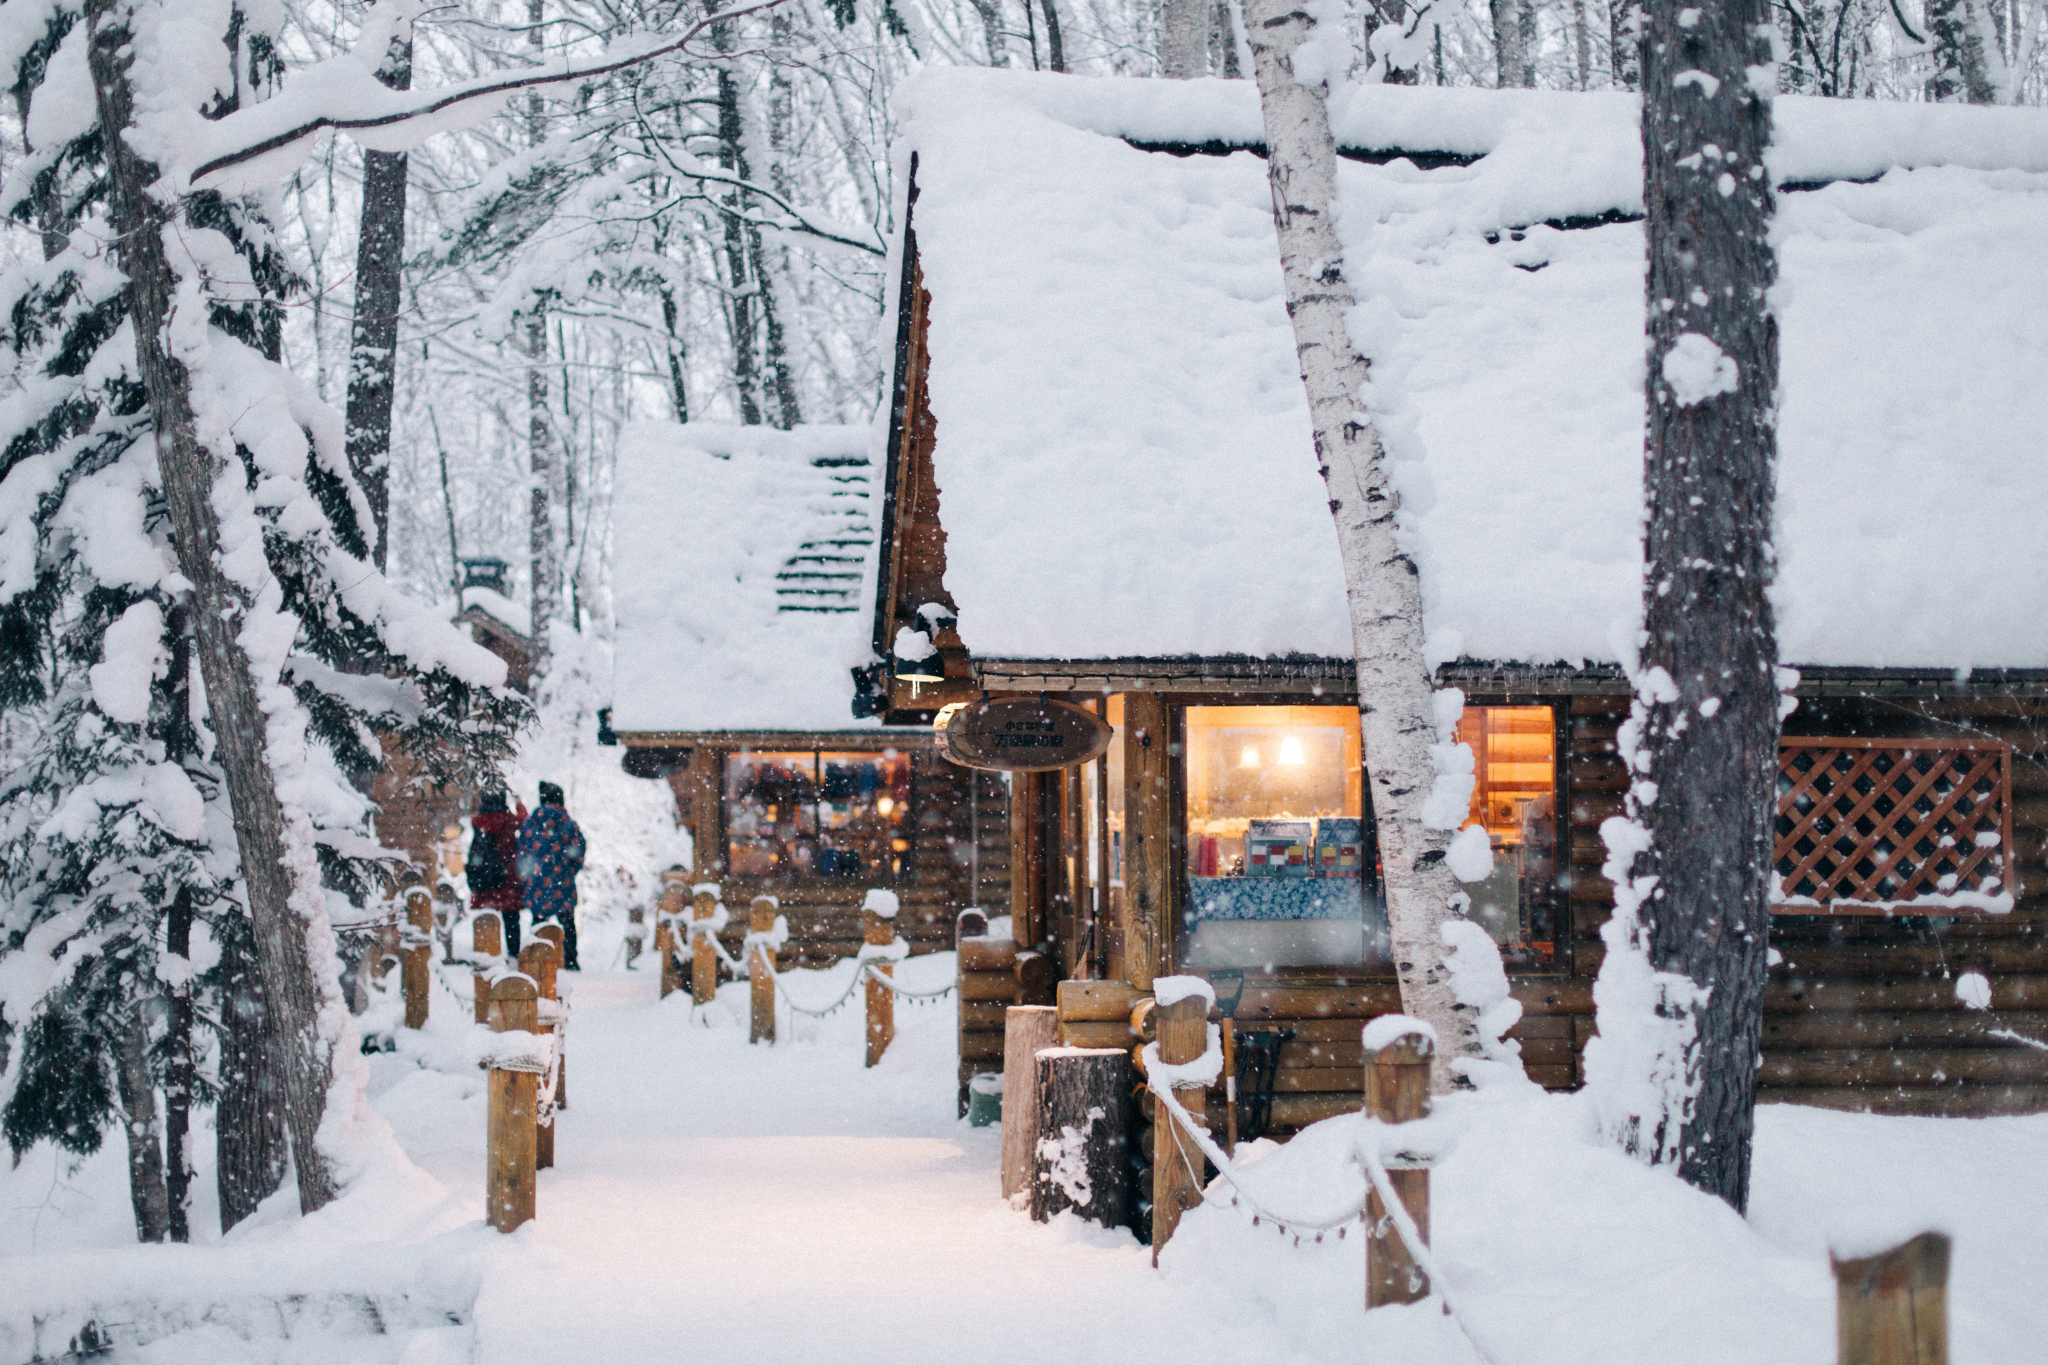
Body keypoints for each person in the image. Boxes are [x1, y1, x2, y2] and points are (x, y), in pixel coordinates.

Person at [518, 781, 587, 970]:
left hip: (537, 882)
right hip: (562, 881)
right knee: (567, 923)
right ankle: (570, 959)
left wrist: (527, 877)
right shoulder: (569, 824)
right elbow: (579, 851)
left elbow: (521, 852)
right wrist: (570, 871)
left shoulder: (531, 823)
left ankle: (536, 959)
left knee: (538, 922)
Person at [467, 789, 526, 956]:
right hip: (507, 879)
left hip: (486, 878)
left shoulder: (478, 821)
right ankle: (513, 954)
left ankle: (487, 954)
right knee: (511, 920)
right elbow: (525, 821)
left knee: (487, 920)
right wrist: (519, 803)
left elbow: (473, 816)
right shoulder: (509, 820)